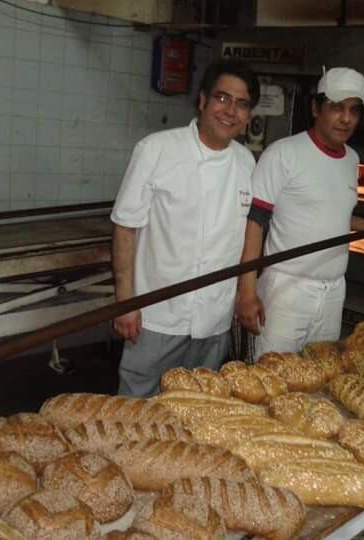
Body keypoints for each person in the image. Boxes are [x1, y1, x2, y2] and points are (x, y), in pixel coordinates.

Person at [110, 60, 260, 397]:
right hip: (155, 315)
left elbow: (248, 233)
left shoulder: (246, 162)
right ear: (203, 101)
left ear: (248, 116)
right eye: (222, 98)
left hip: (214, 321)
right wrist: (125, 301)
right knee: (137, 411)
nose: (230, 110)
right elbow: (125, 228)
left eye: (241, 104)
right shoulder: (157, 149)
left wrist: (243, 294)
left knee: (197, 410)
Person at [235, 67, 364, 357]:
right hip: (287, 288)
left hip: (333, 291)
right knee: (271, 378)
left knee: (319, 373)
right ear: (315, 108)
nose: (346, 119)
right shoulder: (284, 153)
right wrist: (247, 292)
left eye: (354, 110)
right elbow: (256, 222)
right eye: (336, 107)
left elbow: (329, 213)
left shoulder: (352, 159)